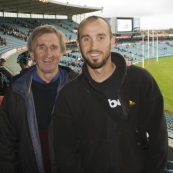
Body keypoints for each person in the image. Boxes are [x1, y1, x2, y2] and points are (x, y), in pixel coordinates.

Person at [52, 16, 168, 173]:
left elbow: (158, 137)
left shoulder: (141, 80)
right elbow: (65, 154)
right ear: (78, 45)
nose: (93, 46)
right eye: (86, 39)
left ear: (113, 41)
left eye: (100, 37)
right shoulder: (68, 96)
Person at [0, 25, 78, 173]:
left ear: (61, 53)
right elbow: (5, 145)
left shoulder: (78, 88)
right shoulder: (16, 91)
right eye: (41, 47)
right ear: (32, 53)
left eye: (54, 47)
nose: (48, 54)